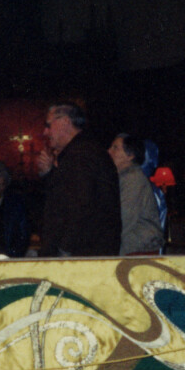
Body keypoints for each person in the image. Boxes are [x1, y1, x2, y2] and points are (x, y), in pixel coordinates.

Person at [37, 103, 121, 257]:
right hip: (87, 252)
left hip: (81, 255)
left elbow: (80, 206)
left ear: (65, 122)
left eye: (49, 125)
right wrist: (50, 173)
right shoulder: (83, 152)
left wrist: (64, 249)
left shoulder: (81, 155)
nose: (45, 132)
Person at [108, 133, 165, 255]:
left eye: (115, 148)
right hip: (131, 248)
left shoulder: (133, 180)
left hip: (136, 252)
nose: (109, 151)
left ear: (130, 155)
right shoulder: (122, 178)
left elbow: (124, 218)